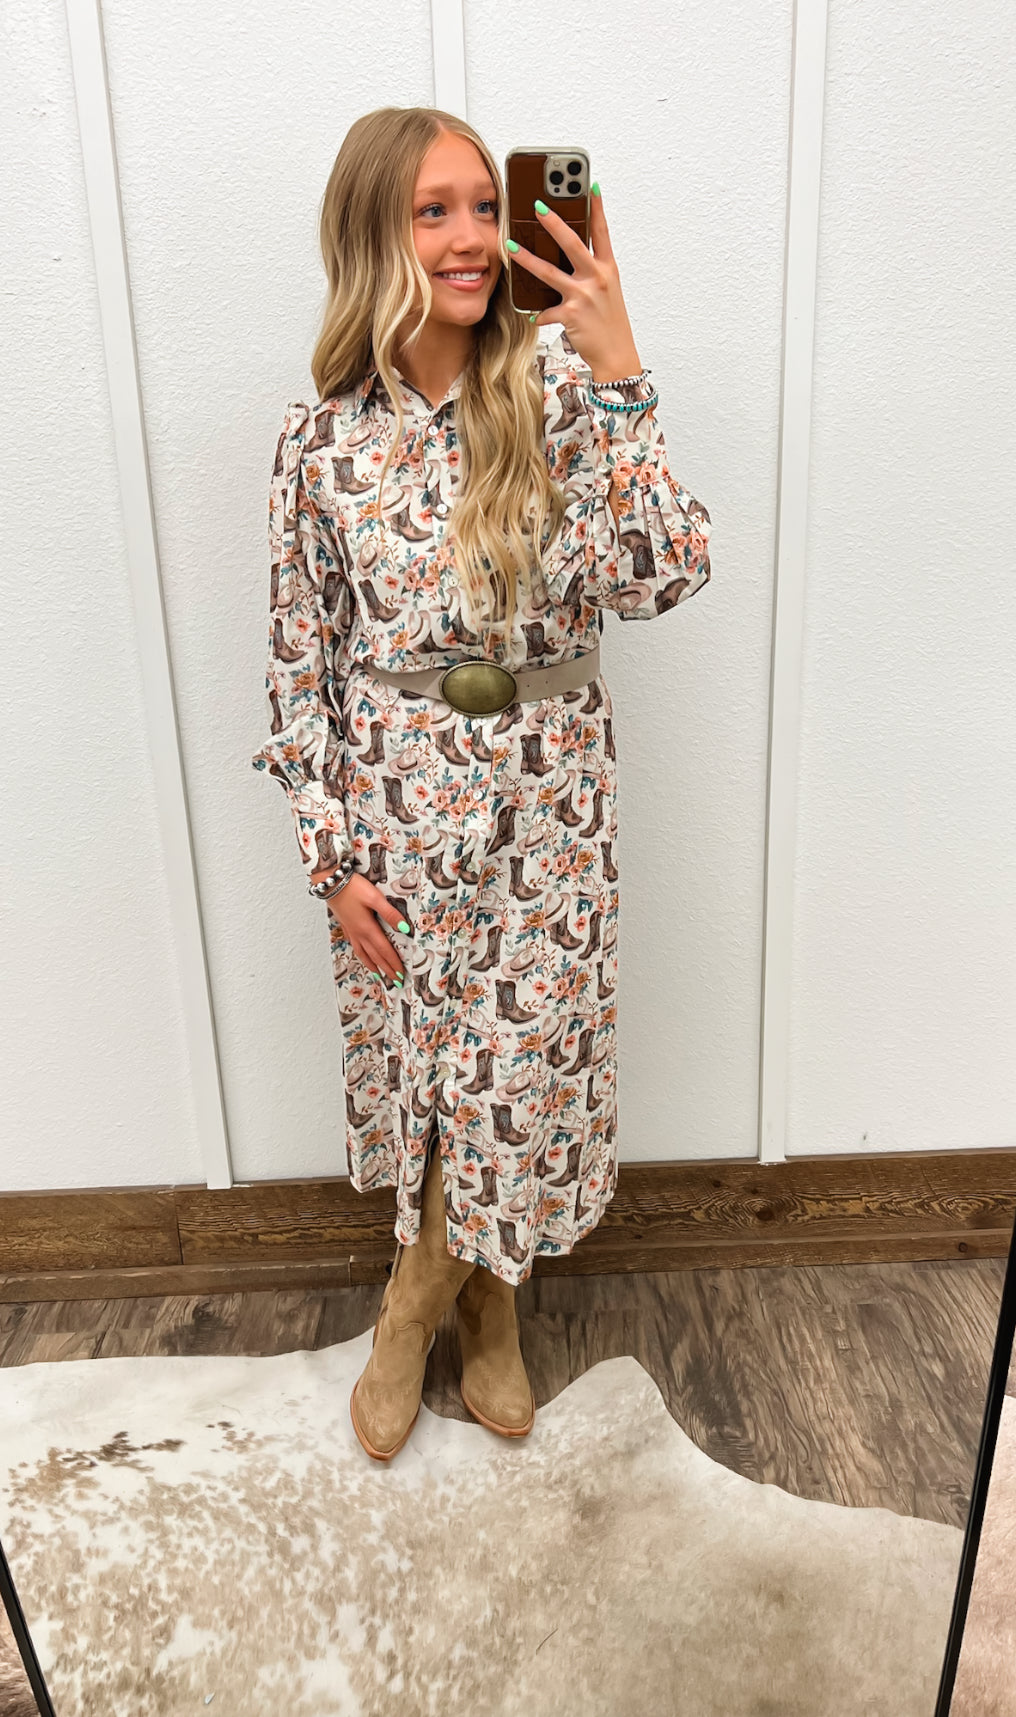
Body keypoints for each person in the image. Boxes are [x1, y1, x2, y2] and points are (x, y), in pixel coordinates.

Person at [251, 107, 713, 1463]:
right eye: (431, 211)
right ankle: (488, 1301)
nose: (469, 238)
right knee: (438, 1079)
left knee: (515, 1068)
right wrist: (331, 857)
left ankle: (418, 1311)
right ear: (372, 236)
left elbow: (663, 576)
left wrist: (619, 365)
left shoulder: (562, 394)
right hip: (395, 809)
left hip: (550, 804)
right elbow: (298, 669)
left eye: (483, 206)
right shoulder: (321, 440)